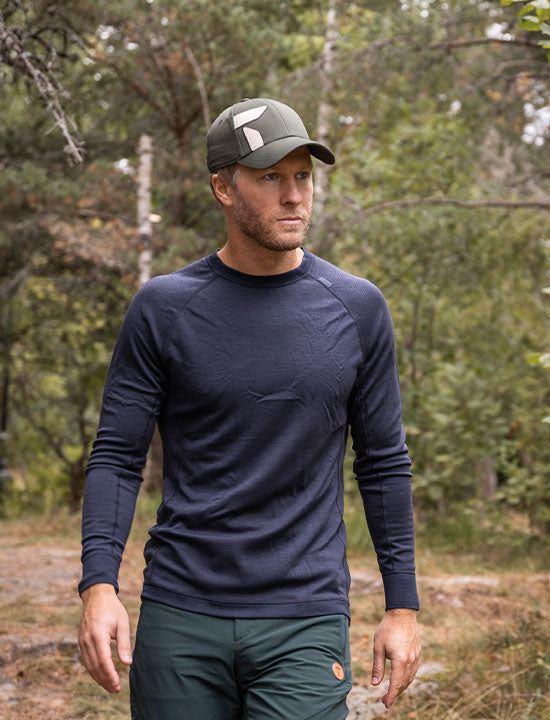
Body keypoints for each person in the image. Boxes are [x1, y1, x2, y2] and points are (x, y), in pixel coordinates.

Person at [78, 97, 421, 720]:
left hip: (305, 616)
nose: (293, 196)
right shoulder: (164, 308)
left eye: (302, 176)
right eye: (270, 177)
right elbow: (117, 458)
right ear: (223, 188)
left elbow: (383, 464)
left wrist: (402, 607)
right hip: (182, 611)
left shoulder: (357, 308)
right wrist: (99, 586)